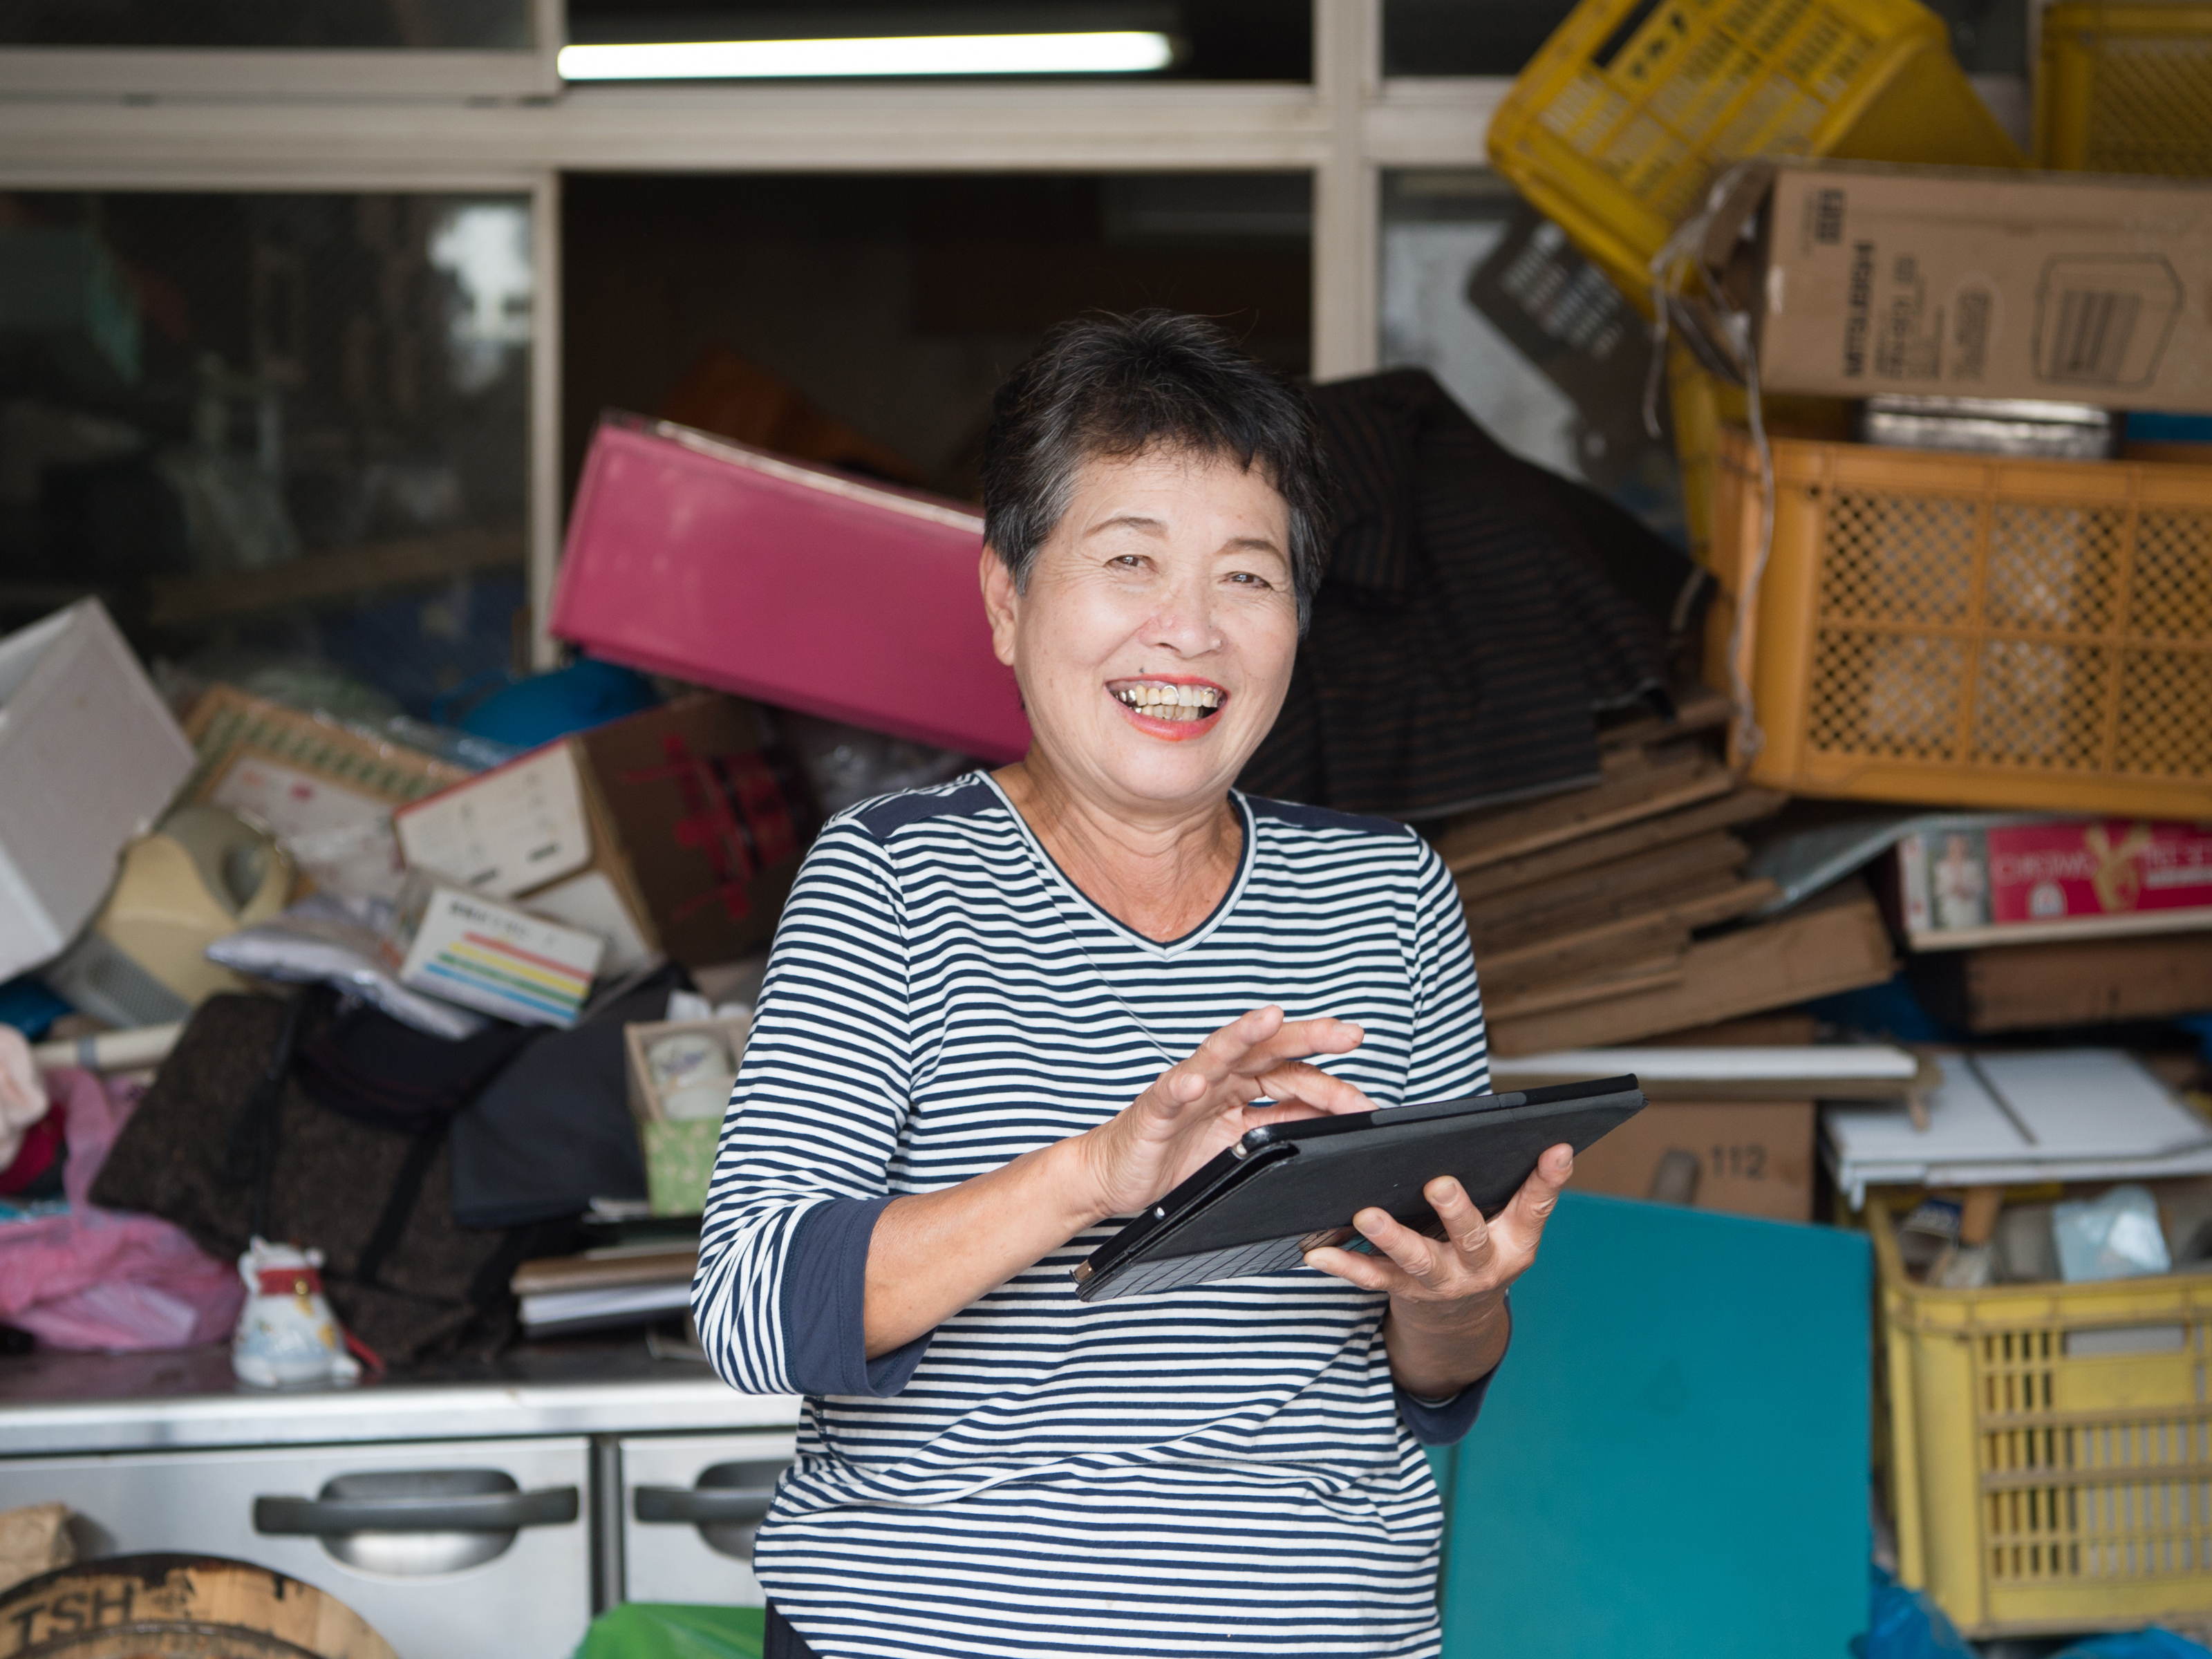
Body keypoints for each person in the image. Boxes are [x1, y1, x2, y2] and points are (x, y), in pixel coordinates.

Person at [693, 310, 1573, 1659]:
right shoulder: (890, 886)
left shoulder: (1388, 898)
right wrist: (1097, 1174)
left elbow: (1434, 1383)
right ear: (1006, 598)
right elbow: (754, 1310)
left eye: (1246, 577)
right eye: (1128, 563)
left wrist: (1454, 1298)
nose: (1189, 634)